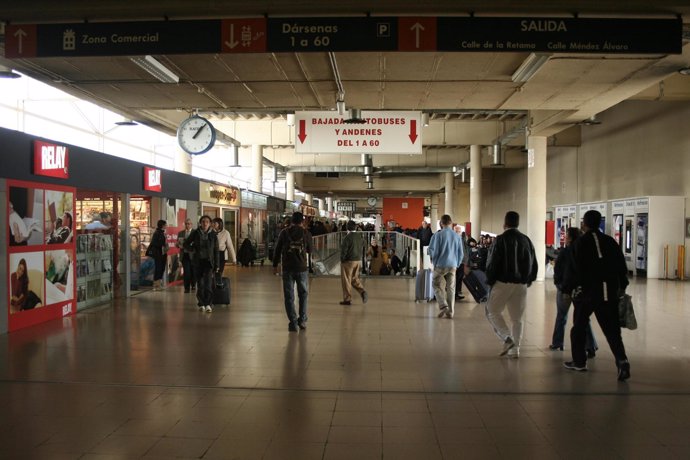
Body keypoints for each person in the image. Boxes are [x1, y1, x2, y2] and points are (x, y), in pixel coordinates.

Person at [563, 210, 631, 381]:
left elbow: (572, 270)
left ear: (584, 224)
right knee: (612, 330)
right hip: (608, 293)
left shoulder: (580, 243)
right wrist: (622, 287)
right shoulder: (610, 242)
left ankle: (579, 362)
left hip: (587, 293)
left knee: (579, 327)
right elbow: (621, 267)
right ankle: (622, 361)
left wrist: (567, 289)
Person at [484, 211, 538, 359]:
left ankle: (507, 338)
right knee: (517, 318)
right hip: (521, 284)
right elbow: (534, 263)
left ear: (505, 223)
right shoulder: (526, 240)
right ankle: (516, 350)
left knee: (492, 311)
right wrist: (529, 279)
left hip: (502, 282)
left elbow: (493, 262)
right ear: (518, 223)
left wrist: (490, 280)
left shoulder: (500, 240)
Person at [549, 227, 598, 355]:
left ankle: (557, 343)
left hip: (565, 288)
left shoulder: (565, 252)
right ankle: (590, 345)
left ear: (569, 238)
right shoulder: (584, 251)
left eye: (566, 236)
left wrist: (559, 284)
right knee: (583, 318)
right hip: (580, 290)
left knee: (561, 316)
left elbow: (558, 269)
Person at [273, 212, 313, 332]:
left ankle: (293, 322)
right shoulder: (306, 233)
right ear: (302, 221)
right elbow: (310, 250)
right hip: (301, 268)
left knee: (289, 296)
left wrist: (275, 265)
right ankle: (303, 320)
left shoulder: (284, 233)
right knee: (303, 295)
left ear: (291, 221)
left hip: (287, 269)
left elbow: (277, 249)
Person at [427, 214, 464, 319]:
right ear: (451, 223)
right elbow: (460, 253)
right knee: (451, 288)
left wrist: (434, 261)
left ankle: (443, 306)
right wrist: (457, 264)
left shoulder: (437, 235)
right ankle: (451, 312)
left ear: (441, 223)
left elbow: (433, 251)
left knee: (435, 284)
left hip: (440, 265)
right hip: (453, 265)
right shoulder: (457, 236)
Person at [184, 215, 220, 312]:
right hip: (198, 262)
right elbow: (186, 244)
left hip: (209, 262)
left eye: (207, 222)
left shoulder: (213, 234)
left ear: (210, 223)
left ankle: (208, 303)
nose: (205, 223)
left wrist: (217, 264)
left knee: (208, 283)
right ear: (200, 223)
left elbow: (216, 250)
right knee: (200, 284)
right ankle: (201, 303)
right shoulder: (195, 233)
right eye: (203, 221)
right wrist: (193, 249)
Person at [339, 220, 368, 306]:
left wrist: (342, 259)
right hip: (358, 260)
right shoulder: (359, 236)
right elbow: (364, 244)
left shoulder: (347, 237)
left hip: (348, 261)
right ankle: (362, 291)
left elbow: (344, 250)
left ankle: (347, 299)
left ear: (348, 227)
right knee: (354, 278)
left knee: (346, 280)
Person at [147, 219, 168, 291]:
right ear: (162, 225)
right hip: (158, 254)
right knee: (158, 268)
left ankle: (159, 284)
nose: (166, 226)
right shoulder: (157, 233)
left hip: (162, 253)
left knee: (161, 268)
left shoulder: (162, 233)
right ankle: (156, 285)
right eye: (165, 225)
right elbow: (154, 243)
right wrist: (163, 244)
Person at [177, 218, 196, 293]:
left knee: (193, 271)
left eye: (189, 224)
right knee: (187, 272)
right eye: (186, 224)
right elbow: (178, 243)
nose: (187, 225)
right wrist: (178, 245)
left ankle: (193, 285)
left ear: (191, 224)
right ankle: (186, 287)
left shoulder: (195, 232)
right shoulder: (180, 233)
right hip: (184, 255)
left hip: (193, 255)